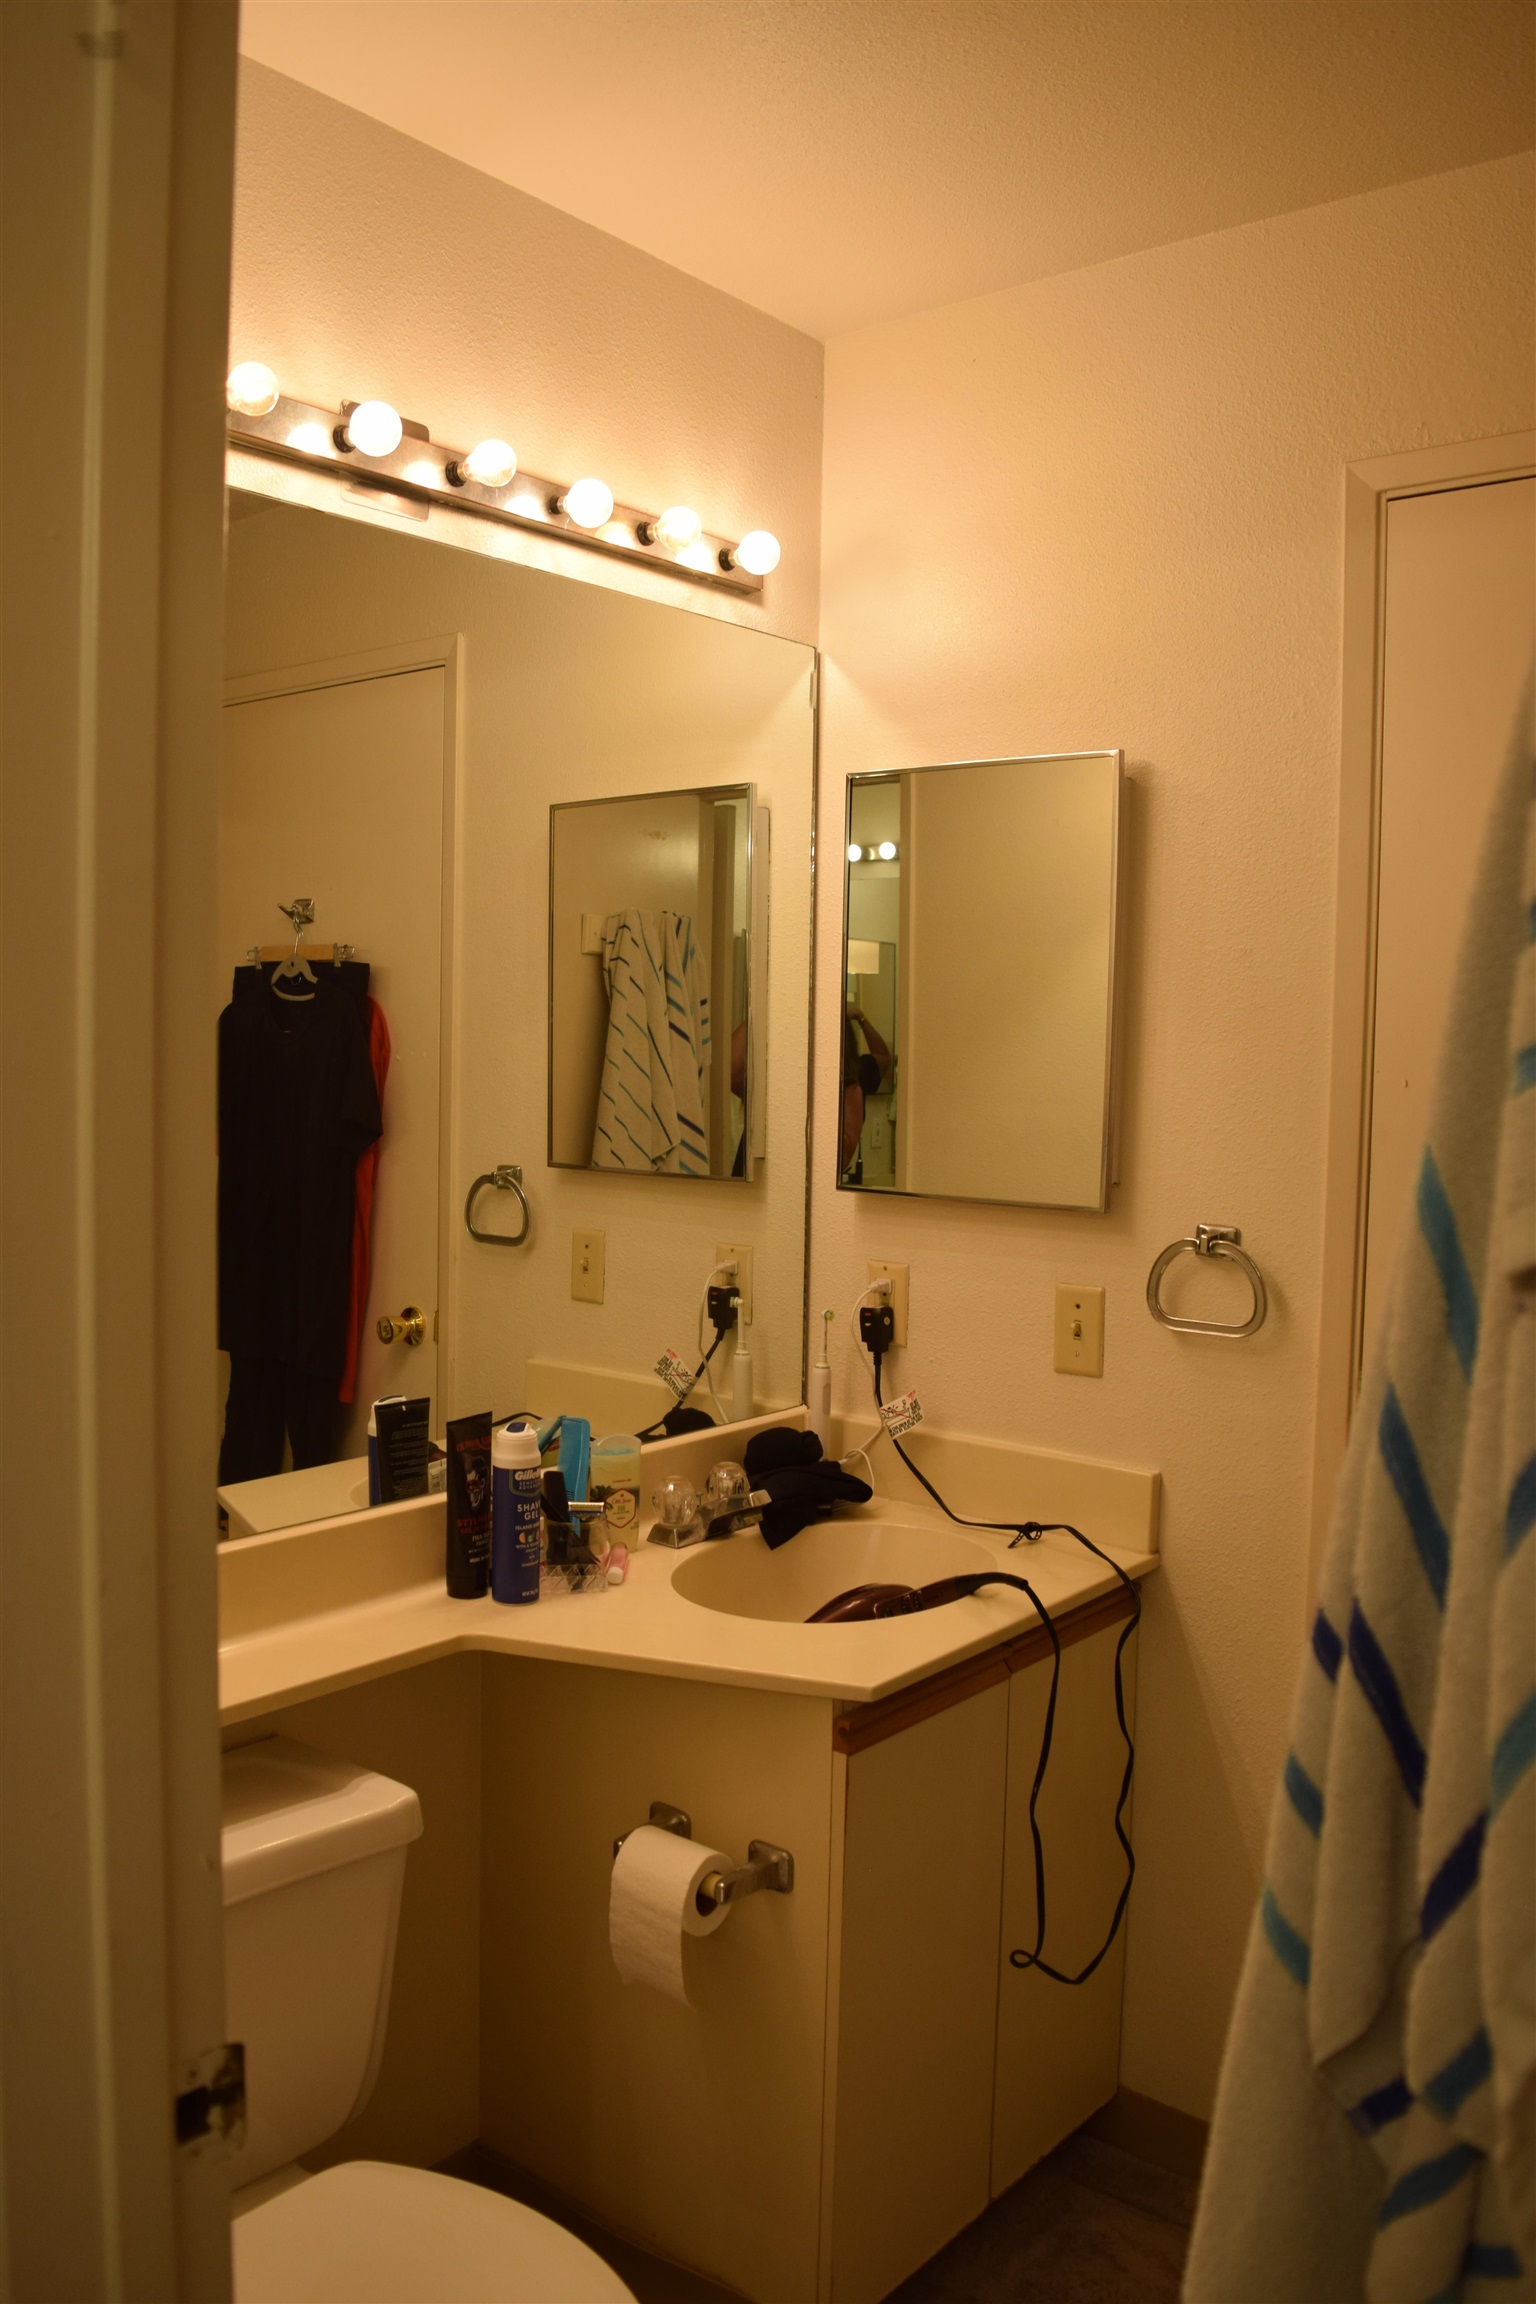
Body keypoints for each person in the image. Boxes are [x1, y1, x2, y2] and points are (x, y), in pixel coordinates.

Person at [841, 1003, 891, 1175]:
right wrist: (859, 1017)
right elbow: (884, 1058)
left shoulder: (854, 1078)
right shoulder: (856, 1073)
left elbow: (884, 1058)